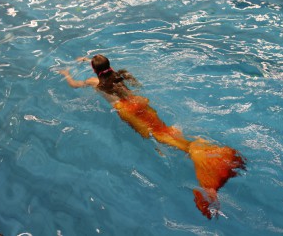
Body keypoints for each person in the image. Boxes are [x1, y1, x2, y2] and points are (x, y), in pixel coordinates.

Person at [59, 54, 246, 219]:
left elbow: (75, 85)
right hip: (139, 104)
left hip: (127, 111)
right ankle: (207, 152)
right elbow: (103, 65)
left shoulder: (95, 82)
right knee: (164, 130)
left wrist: (66, 74)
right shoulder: (118, 75)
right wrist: (86, 59)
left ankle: (208, 180)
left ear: (94, 70)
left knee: (159, 138)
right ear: (109, 66)